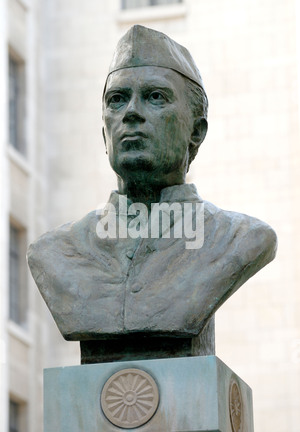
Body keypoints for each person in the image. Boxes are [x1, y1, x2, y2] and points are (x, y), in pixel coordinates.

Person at [27, 25, 277, 363]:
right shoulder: (55, 252)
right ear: (105, 134)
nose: (131, 112)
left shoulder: (240, 239)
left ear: (196, 132)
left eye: (155, 97)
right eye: (117, 99)